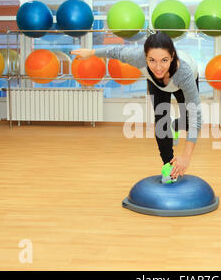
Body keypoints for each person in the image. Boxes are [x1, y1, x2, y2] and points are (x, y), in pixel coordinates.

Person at [71, 32, 201, 183]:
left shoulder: (184, 73)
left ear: (172, 56)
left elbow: (195, 117)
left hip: (181, 81)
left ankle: (175, 125)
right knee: (161, 120)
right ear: (145, 57)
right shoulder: (137, 57)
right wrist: (91, 53)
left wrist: (186, 156)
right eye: (152, 60)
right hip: (156, 84)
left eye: (164, 60)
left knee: (187, 119)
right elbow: (115, 52)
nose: (158, 67)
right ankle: (167, 165)